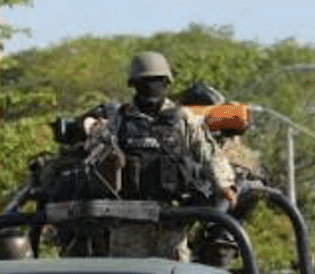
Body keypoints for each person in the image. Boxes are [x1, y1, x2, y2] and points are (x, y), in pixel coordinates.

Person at [52, 52, 238, 259]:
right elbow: (95, 156)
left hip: (171, 219)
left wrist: (224, 184)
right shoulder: (119, 119)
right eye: (145, 82)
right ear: (135, 85)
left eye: (157, 82)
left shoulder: (183, 118)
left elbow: (209, 152)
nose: (151, 88)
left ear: (166, 83)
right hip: (127, 220)